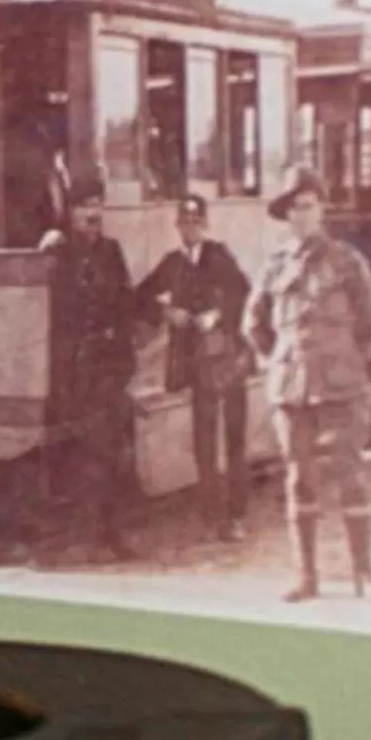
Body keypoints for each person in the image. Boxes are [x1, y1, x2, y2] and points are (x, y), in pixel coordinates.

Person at [245, 170, 371, 603]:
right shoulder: (274, 265)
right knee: (298, 480)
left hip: (340, 386)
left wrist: (340, 355)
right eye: (293, 208)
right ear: (285, 215)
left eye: (308, 205)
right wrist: (280, 360)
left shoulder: (346, 261)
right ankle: (307, 578)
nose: (301, 215)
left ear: (322, 209)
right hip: (291, 389)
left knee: (350, 478)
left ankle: (365, 575)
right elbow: (253, 323)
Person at [135, 193, 252, 538]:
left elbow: (244, 295)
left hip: (229, 359)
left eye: (196, 221)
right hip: (197, 364)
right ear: (177, 226)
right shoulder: (172, 263)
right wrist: (166, 312)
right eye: (184, 222)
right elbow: (140, 296)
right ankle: (211, 517)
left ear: (205, 223)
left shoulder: (220, 255)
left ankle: (237, 516)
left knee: (234, 439)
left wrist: (217, 315)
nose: (190, 228)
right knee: (203, 440)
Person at [39, 177, 137, 557]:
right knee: (86, 454)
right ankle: (91, 536)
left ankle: (110, 533)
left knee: (111, 453)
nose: (92, 213)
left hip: (109, 366)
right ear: (71, 212)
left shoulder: (111, 251)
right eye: (84, 206)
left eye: (97, 205)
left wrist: (124, 360)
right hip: (76, 370)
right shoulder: (58, 252)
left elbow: (125, 303)